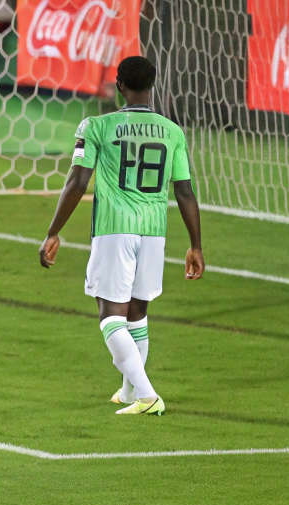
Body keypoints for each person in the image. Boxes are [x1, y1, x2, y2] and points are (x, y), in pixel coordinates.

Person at [38, 55, 204, 417]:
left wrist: (53, 231)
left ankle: (147, 396)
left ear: (119, 86)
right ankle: (129, 392)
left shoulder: (97, 126)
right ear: (152, 86)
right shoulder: (173, 131)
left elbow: (78, 181)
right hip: (154, 232)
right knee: (137, 314)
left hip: (115, 229)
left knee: (110, 316)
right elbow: (185, 192)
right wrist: (195, 245)